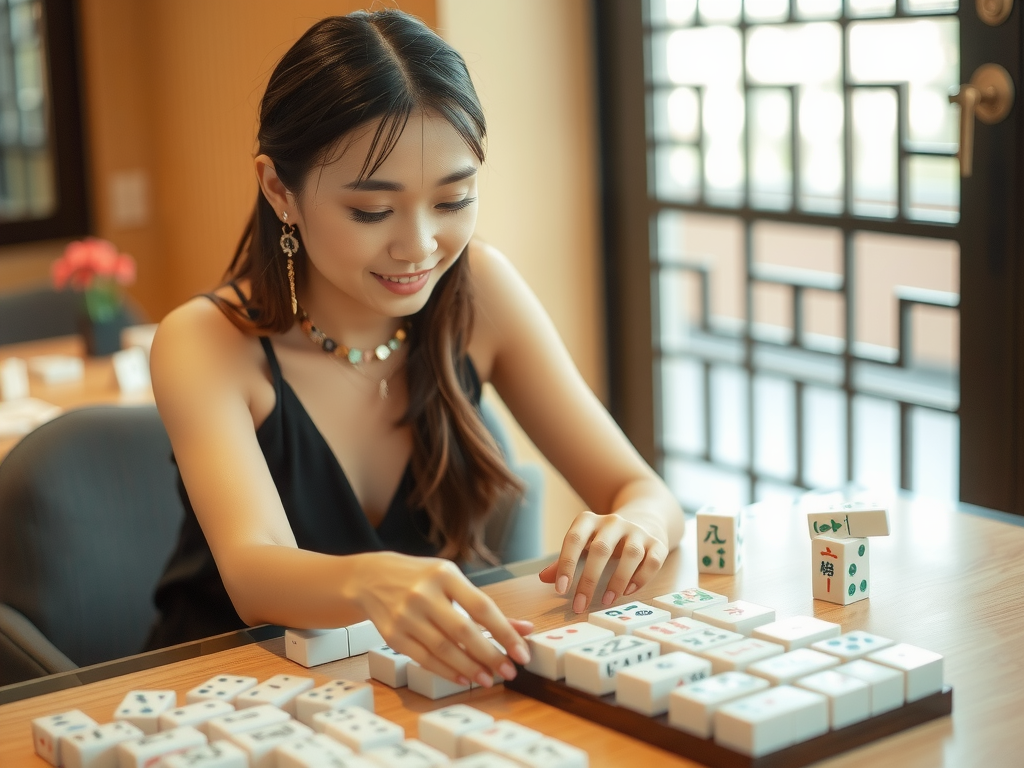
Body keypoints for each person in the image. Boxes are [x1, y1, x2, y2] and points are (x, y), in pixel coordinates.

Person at [145, 9, 684, 690]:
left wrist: (634, 526)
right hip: (225, 698)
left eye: (453, 199)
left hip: (404, 693)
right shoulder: (206, 341)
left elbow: (644, 491)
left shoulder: (480, 290)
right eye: (372, 211)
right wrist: (371, 582)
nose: (420, 245)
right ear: (280, 188)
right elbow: (255, 571)